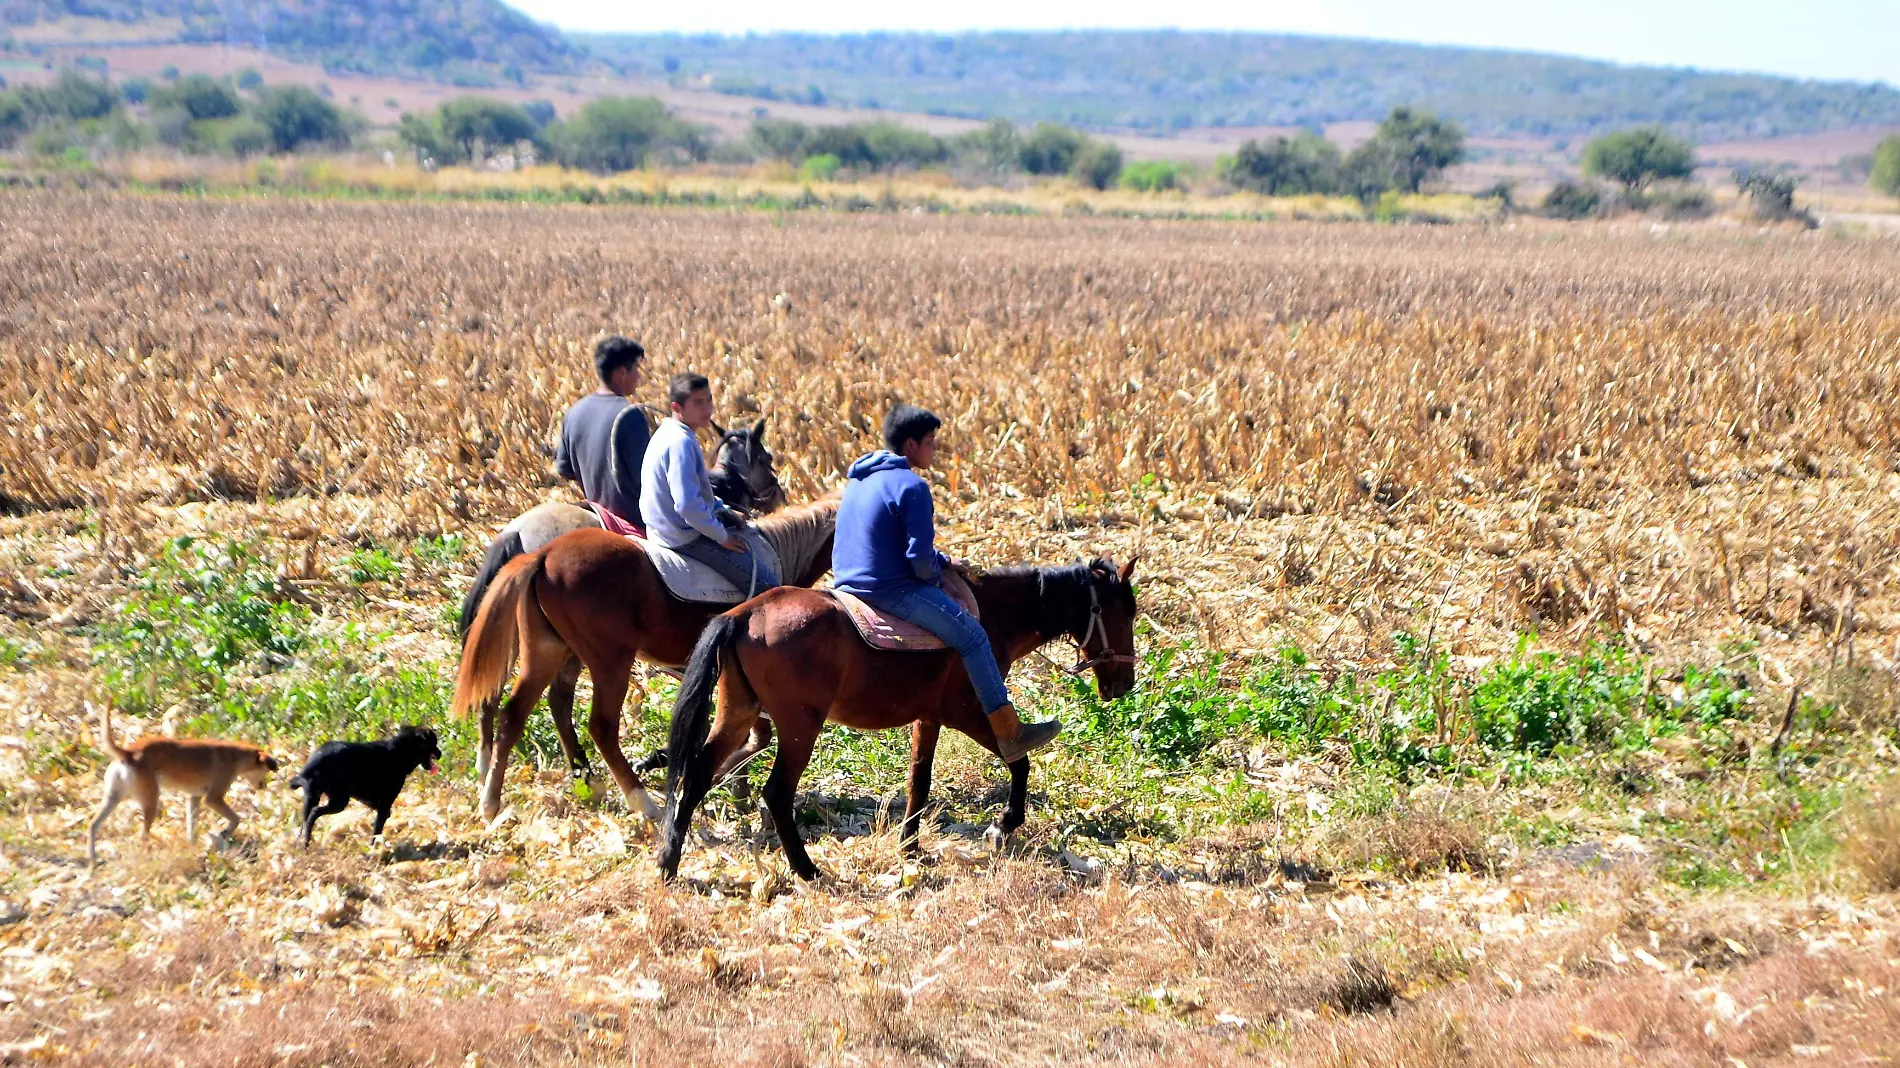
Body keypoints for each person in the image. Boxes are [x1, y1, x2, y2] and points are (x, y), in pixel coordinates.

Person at [832, 404, 1060, 762]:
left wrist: (945, 561)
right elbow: (919, 562)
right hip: (890, 590)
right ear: (910, 445)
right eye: (930, 442)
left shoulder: (859, 479)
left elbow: (895, 543)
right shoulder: (912, 486)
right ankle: (1010, 731)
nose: (934, 449)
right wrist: (937, 577)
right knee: (973, 637)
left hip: (846, 585)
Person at [641, 373, 782, 597]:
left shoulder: (665, 433)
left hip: (661, 529)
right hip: (682, 537)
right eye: (698, 403)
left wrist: (721, 509)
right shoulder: (682, 443)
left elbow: (697, 492)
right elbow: (687, 506)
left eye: (709, 400)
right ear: (677, 406)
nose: (707, 409)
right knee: (770, 589)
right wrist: (722, 537)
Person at [555, 336, 651, 535]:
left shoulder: (573, 413)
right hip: (633, 523)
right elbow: (647, 478)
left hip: (597, 514)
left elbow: (565, 470)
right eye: (635, 370)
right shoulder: (630, 415)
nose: (638, 377)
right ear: (622, 372)